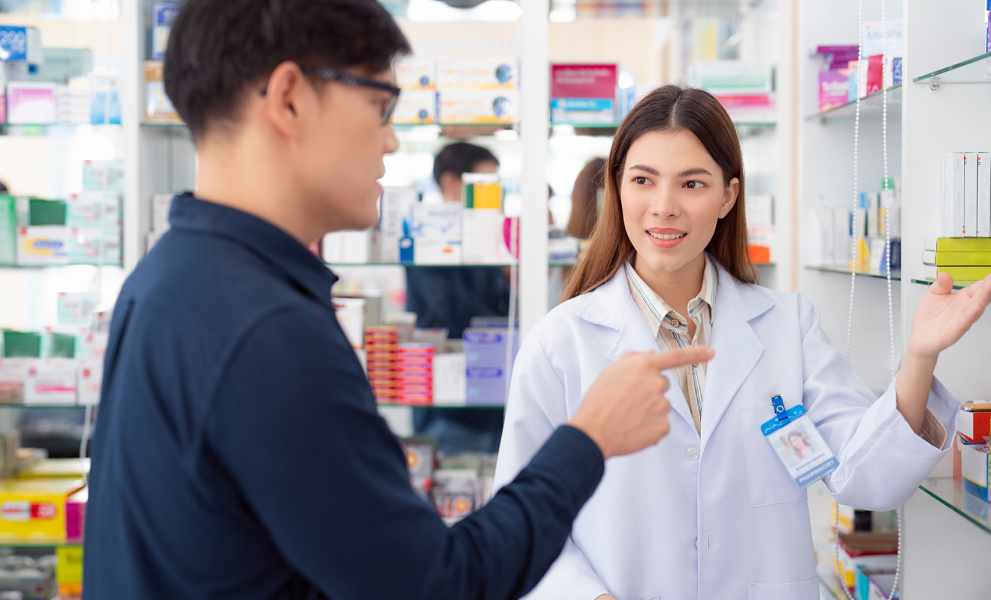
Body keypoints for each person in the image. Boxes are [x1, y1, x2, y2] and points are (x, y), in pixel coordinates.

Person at [81, 2, 713, 599]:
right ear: (290, 99)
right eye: (381, 107)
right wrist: (588, 439)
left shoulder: (168, 276)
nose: (389, 141)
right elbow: (436, 586)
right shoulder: (267, 330)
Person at [493, 85, 991, 600]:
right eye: (643, 180)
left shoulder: (787, 325)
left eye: (692, 183)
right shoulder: (561, 343)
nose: (664, 207)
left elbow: (864, 479)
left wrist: (920, 354)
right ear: (618, 189)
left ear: (728, 196)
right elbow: (521, 522)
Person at [408, 142, 508, 453]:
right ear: (451, 183)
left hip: (495, 400)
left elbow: (506, 307)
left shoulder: (483, 236)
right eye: (483, 185)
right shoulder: (426, 237)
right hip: (451, 410)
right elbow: (457, 314)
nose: (494, 196)